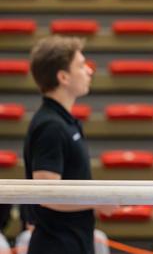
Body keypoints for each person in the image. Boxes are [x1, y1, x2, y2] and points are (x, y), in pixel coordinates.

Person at [23, 36, 117, 254]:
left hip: (75, 240)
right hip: (56, 245)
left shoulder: (65, 122)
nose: (89, 71)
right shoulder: (50, 126)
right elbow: (47, 194)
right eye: (82, 66)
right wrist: (97, 200)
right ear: (63, 76)